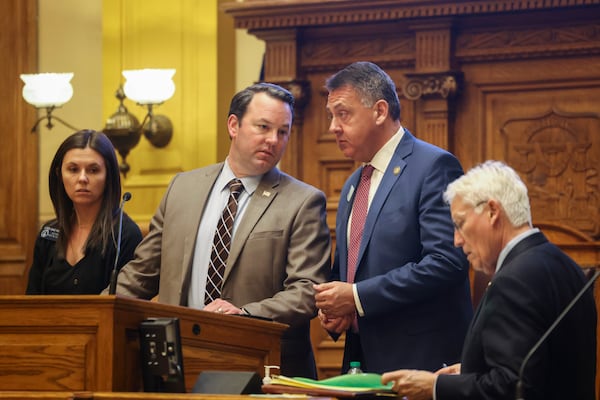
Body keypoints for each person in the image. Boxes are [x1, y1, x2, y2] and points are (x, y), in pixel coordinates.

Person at [111, 83, 332, 379]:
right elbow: (142, 274)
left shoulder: (303, 201)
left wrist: (245, 314)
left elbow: (307, 290)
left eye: (283, 132)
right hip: (178, 361)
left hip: (260, 364)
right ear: (233, 125)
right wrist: (92, 313)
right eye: (263, 127)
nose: (273, 140)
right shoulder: (182, 188)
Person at [381, 160, 597, 400]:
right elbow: (543, 367)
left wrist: (434, 387)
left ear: (493, 212)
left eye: (460, 224)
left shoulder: (515, 280)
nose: (456, 240)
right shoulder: (564, 265)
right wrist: (471, 371)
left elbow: (513, 388)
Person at [314, 61, 473, 374]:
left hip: (421, 363)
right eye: (331, 116)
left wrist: (357, 297)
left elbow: (447, 262)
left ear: (379, 111)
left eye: (342, 113)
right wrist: (338, 309)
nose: (333, 126)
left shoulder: (434, 166)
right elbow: (348, 272)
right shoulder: (353, 184)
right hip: (362, 365)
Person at [26, 129, 142, 294]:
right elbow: (31, 303)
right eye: (73, 169)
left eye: (93, 170)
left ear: (109, 176)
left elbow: (127, 309)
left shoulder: (125, 234)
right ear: (59, 174)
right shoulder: (48, 233)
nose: (82, 178)